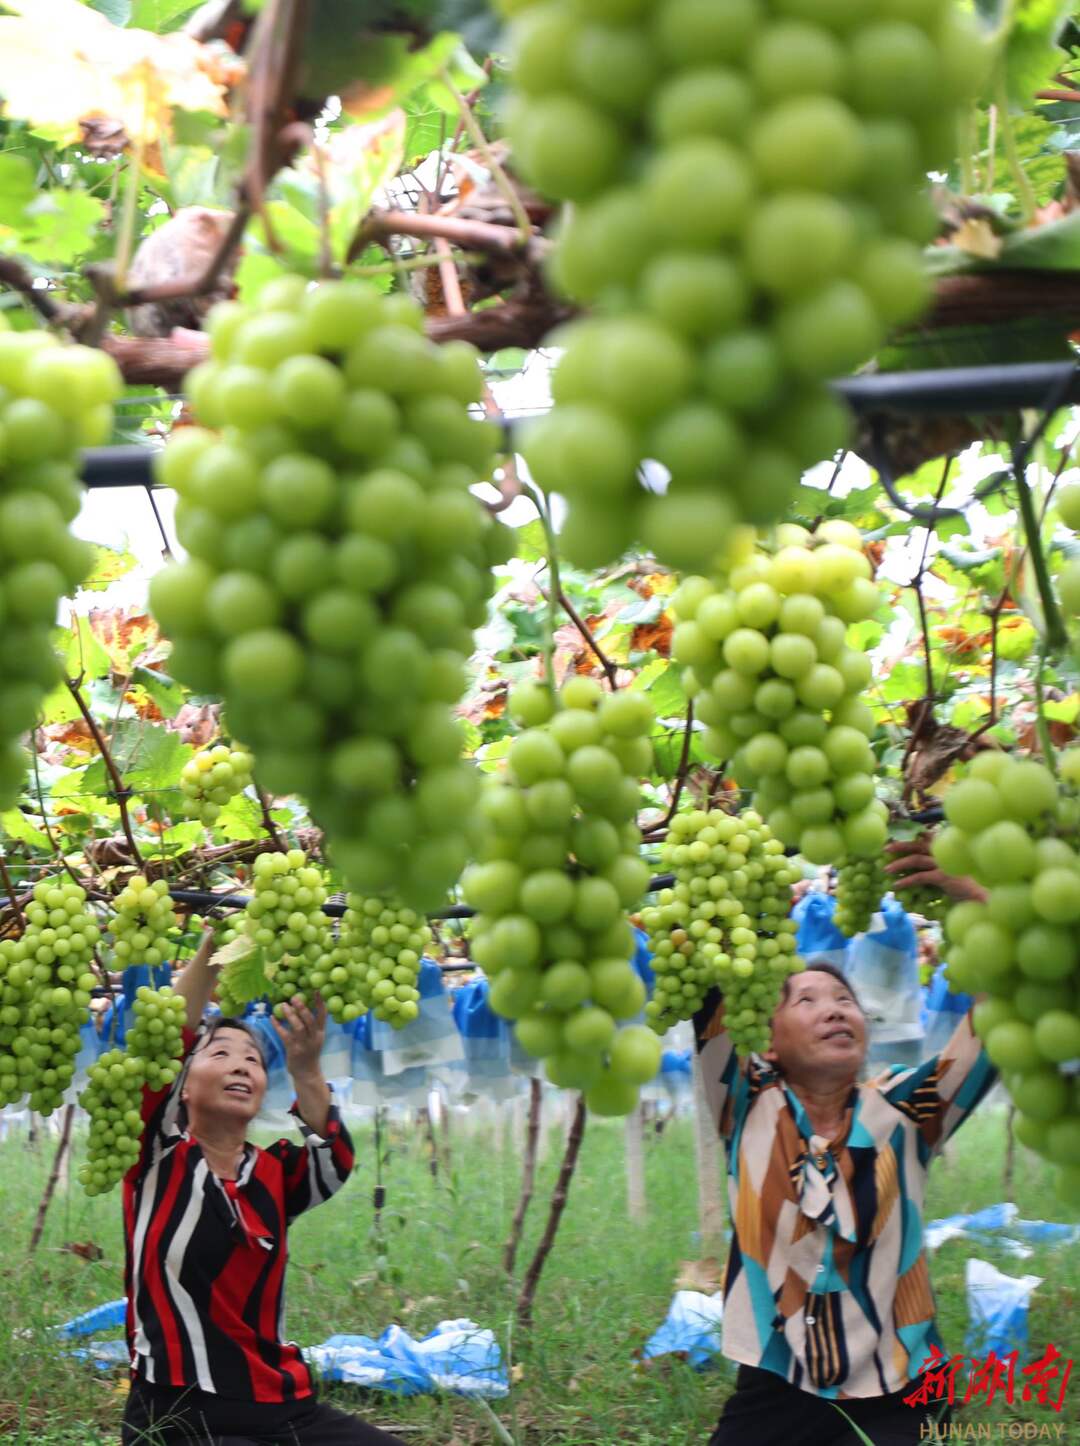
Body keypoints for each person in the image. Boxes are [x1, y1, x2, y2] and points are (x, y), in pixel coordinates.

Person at [698, 836, 994, 1446]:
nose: (835, 1010)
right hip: (775, 1377)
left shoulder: (908, 1112)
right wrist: (749, 911)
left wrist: (978, 900)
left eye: (845, 1001)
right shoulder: (747, 1104)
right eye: (805, 1000)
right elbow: (711, 995)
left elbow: (998, 1021)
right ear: (768, 1040)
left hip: (902, 1382)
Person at [120, 927, 406, 1446]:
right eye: (220, 1054)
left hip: (278, 1403)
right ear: (183, 1086)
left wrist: (306, 1069)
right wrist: (218, 943)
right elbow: (166, 1038)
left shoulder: (274, 1172)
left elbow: (334, 1159)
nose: (240, 1066)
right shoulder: (157, 1155)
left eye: (252, 1059)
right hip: (178, 1409)